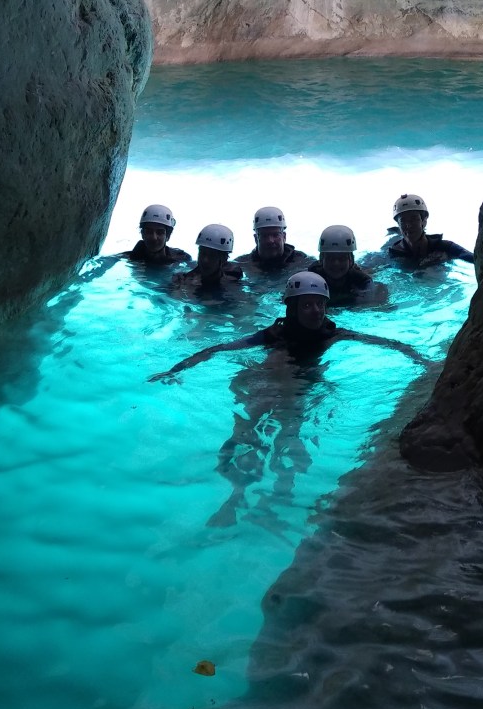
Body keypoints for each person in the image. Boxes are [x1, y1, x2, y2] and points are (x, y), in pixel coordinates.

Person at [150, 272, 425, 526]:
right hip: (270, 382)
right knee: (248, 427)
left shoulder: (331, 335)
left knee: (288, 436)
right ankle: (234, 493)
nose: (316, 311)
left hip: (298, 388)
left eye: (320, 304)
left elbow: (387, 343)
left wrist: (421, 360)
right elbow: (218, 348)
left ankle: (279, 496)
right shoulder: (273, 336)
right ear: (291, 308)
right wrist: (175, 370)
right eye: (307, 305)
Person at [384, 193, 474, 267]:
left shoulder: (444, 247)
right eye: (403, 221)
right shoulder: (394, 254)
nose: (409, 225)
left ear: (424, 220)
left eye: (414, 219)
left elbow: (473, 257)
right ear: (399, 225)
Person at [309, 224, 387, 305]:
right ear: (321, 260)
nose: (336, 263)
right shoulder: (313, 277)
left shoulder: (361, 281)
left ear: (351, 261)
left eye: (342, 258)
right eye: (330, 258)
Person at [233, 206, 314, 274]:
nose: (270, 241)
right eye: (264, 236)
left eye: (275, 235)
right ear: (255, 239)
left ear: (284, 237)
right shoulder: (241, 265)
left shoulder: (304, 262)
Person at [172, 223, 244, 294]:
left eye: (212, 256)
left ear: (224, 258)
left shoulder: (233, 279)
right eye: (202, 253)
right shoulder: (183, 281)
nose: (205, 260)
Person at [120, 204, 192, 266]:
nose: (154, 238)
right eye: (149, 231)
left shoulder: (182, 258)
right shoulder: (126, 257)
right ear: (142, 234)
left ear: (168, 236)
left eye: (160, 232)